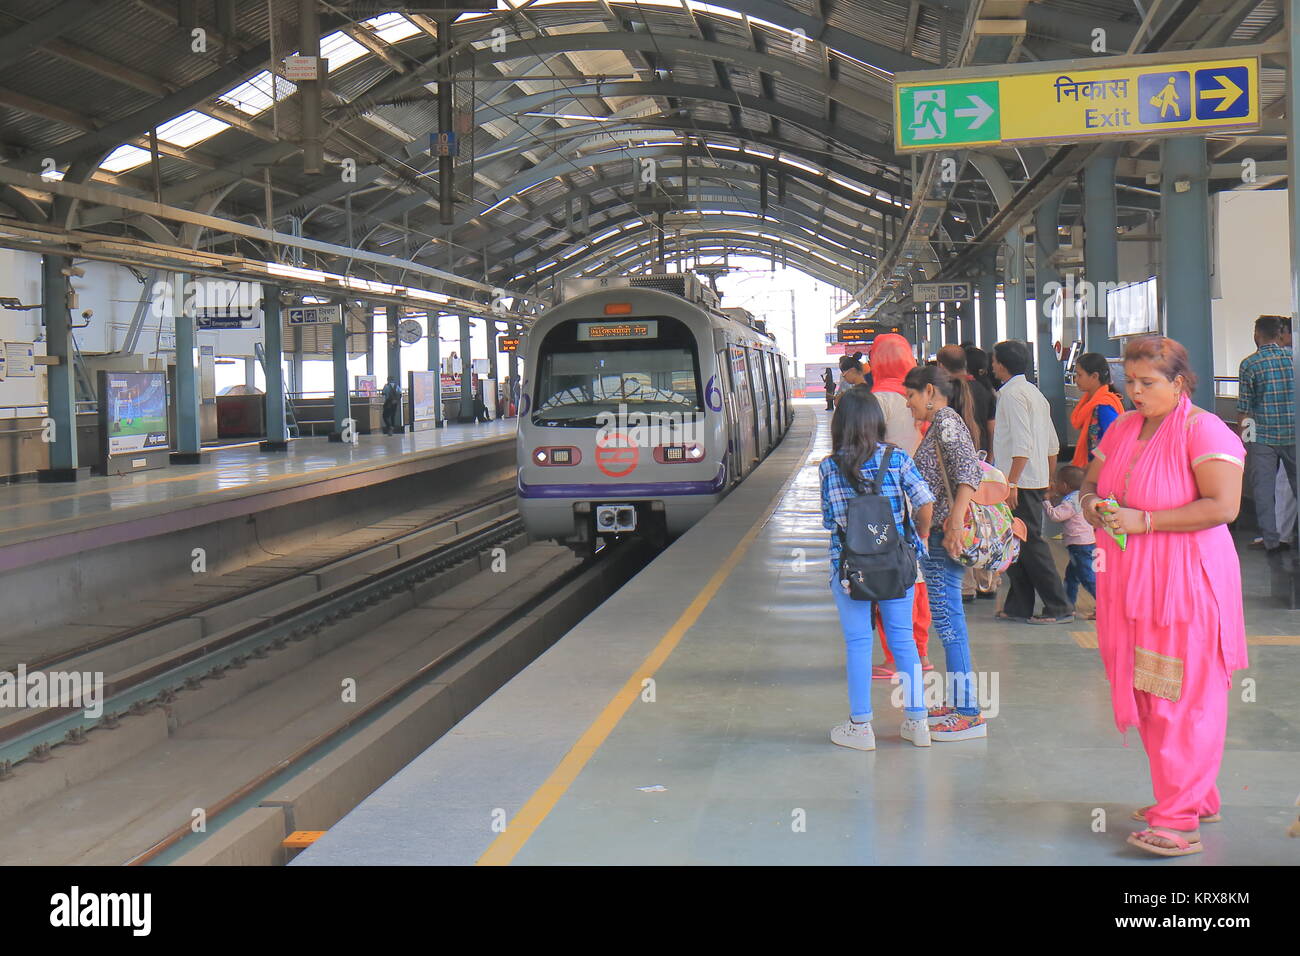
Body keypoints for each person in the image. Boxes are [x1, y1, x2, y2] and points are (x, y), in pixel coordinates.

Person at [1079, 336, 1247, 857]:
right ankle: (1195, 796)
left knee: (1182, 694)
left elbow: (1224, 507)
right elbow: (1090, 481)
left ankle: (1178, 820)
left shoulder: (1202, 429)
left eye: (1147, 383)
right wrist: (1091, 506)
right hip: (1133, 583)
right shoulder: (1127, 426)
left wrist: (1144, 521)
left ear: (1178, 383)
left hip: (1186, 583)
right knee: (1152, 689)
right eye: (1130, 382)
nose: (1135, 392)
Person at [820, 385, 935, 751]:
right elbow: (925, 502)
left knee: (858, 643)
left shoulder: (828, 466)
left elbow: (829, 521)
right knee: (903, 640)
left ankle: (861, 727)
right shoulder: (897, 459)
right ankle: (917, 724)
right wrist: (918, 536)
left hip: (850, 568)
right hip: (897, 564)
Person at [903, 364, 988, 740]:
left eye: (911, 395)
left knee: (950, 623)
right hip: (937, 537)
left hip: (943, 537)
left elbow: (968, 472)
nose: (908, 403)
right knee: (947, 621)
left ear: (930, 393)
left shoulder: (947, 421)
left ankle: (968, 712)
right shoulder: (942, 423)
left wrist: (954, 523)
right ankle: (959, 703)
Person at [991, 340, 1073, 625]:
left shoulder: (1012, 396)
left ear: (1001, 364)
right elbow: (1052, 444)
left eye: (994, 361)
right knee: (1019, 542)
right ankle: (1019, 605)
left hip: (1019, 482)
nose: (992, 365)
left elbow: (1022, 444)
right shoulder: (1035, 394)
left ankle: (1059, 606)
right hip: (1031, 478)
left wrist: (1011, 484)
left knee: (1031, 544)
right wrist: (1048, 477)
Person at [869, 333, 931, 673]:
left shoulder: (878, 399)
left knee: (887, 575)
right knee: (916, 573)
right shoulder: (919, 396)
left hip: (887, 498)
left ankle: (895, 657)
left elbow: (867, 449)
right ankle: (921, 652)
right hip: (921, 496)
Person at [1236, 315, 1297, 552]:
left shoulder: (1249, 364)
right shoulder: (1294, 358)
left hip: (1262, 438)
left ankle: (1271, 540)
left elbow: (1245, 408)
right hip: (1294, 435)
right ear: (1280, 334)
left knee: (1263, 489)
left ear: (1257, 335)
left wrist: (1245, 441)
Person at [1044, 464, 1096, 620]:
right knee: (1071, 577)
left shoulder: (1071, 501)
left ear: (1065, 485)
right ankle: (1068, 604)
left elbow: (1055, 516)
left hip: (1079, 545)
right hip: (1085, 542)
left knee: (1087, 576)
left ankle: (1105, 605)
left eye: (1057, 482)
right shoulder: (1081, 496)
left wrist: (1045, 501)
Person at [1070, 353, 1125, 467]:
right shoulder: (1091, 403)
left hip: (1102, 471)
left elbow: (1115, 441)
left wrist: (1092, 469)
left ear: (1094, 376)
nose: (1076, 379)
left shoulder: (1103, 406)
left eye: (1080, 375)